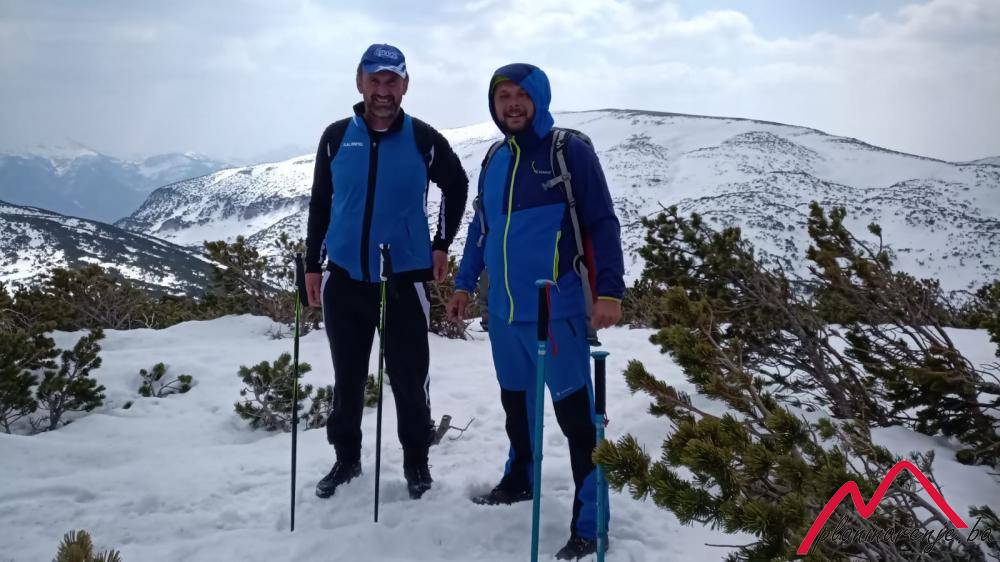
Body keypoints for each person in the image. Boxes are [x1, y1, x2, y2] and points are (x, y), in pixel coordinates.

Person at [446, 63, 624, 560]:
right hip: (504, 315)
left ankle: (591, 524)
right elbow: (481, 232)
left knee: (578, 422)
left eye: (521, 94)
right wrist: (463, 284)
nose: (512, 104)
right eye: (502, 96)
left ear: (539, 98)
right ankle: (520, 478)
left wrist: (609, 292)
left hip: (556, 312)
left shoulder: (568, 152)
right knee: (516, 408)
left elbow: (602, 221)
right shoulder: (494, 159)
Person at [305, 43, 468, 501]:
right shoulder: (337, 137)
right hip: (345, 276)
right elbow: (321, 202)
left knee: (410, 378)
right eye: (374, 80)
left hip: (403, 279)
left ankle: (416, 462)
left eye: (391, 81)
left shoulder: (423, 138)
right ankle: (346, 459)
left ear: (405, 85)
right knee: (348, 377)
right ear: (360, 82)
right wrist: (312, 265)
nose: (383, 90)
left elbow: (456, 185)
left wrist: (441, 244)